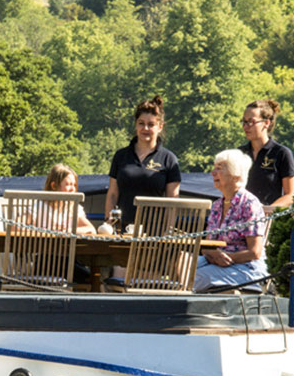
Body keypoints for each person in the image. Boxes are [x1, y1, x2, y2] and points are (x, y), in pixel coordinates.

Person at [194, 150, 268, 293]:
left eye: (219, 168)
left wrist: (227, 258)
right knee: (183, 265)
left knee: (194, 277)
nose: (212, 172)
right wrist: (212, 254)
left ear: (236, 175)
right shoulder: (216, 205)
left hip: (245, 269)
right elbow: (206, 246)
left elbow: (255, 252)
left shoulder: (249, 203)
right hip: (216, 264)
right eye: (214, 167)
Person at [105, 96, 181, 229]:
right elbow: (112, 194)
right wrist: (109, 224)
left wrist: (168, 232)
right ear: (136, 124)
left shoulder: (169, 159)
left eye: (151, 124)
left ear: (160, 127)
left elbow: (173, 201)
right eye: (141, 123)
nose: (145, 128)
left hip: (154, 234)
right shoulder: (121, 156)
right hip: (122, 230)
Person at [238, 98, 294, 211]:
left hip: (268, 219)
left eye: (251, 122)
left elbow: (290, 195)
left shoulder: (281, 153)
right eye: (244, 122)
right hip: (240, 219)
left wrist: (265, 211)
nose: (246, 126)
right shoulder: (239, 153)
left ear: (266, 123)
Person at [26, 164, 96, 234]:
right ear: (54, 186)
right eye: (68, 184)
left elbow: (91, 230)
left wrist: (66, 231)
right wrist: (43, 232)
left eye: (74, 185)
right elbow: (16, 226)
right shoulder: (40, 206)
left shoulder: (74, 208)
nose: (73, 189)